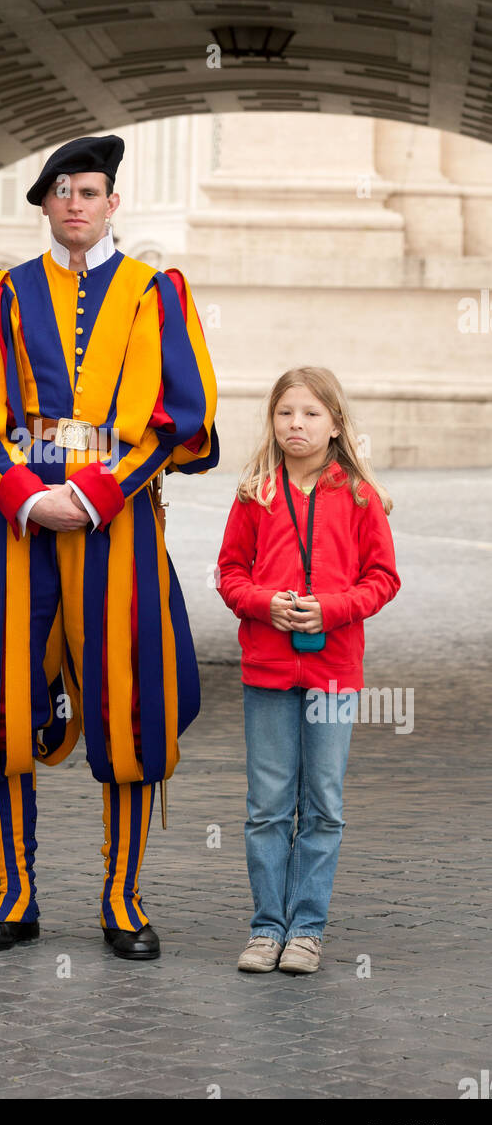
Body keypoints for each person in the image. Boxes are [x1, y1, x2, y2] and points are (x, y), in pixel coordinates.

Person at [0, 133, 219, 960]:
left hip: (119, 521)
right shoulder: (3, 293)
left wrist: (95, 492)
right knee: (1, 703)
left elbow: (182, 418)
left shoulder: (155, 292)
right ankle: (13, 894)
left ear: (112, 201)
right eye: (62, 193)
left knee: (128, 705)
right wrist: (22, 491)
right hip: (16, 524)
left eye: (90, 191)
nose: (76, 205)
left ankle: (121, 899)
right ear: (46, 204)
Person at [216, 367, 400, 974]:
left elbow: (383, 580)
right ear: (271, 421)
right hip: (267, 672)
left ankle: (307, 930)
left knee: (322, 803)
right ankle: (267, 927)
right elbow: (230, 574)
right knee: (267, 804)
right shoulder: (253, 495)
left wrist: (334, 607)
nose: (297, 423)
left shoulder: (360, 498)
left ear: (336, 424)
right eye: (286, 412)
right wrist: (263, 603)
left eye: (311, 413)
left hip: (332, 674)